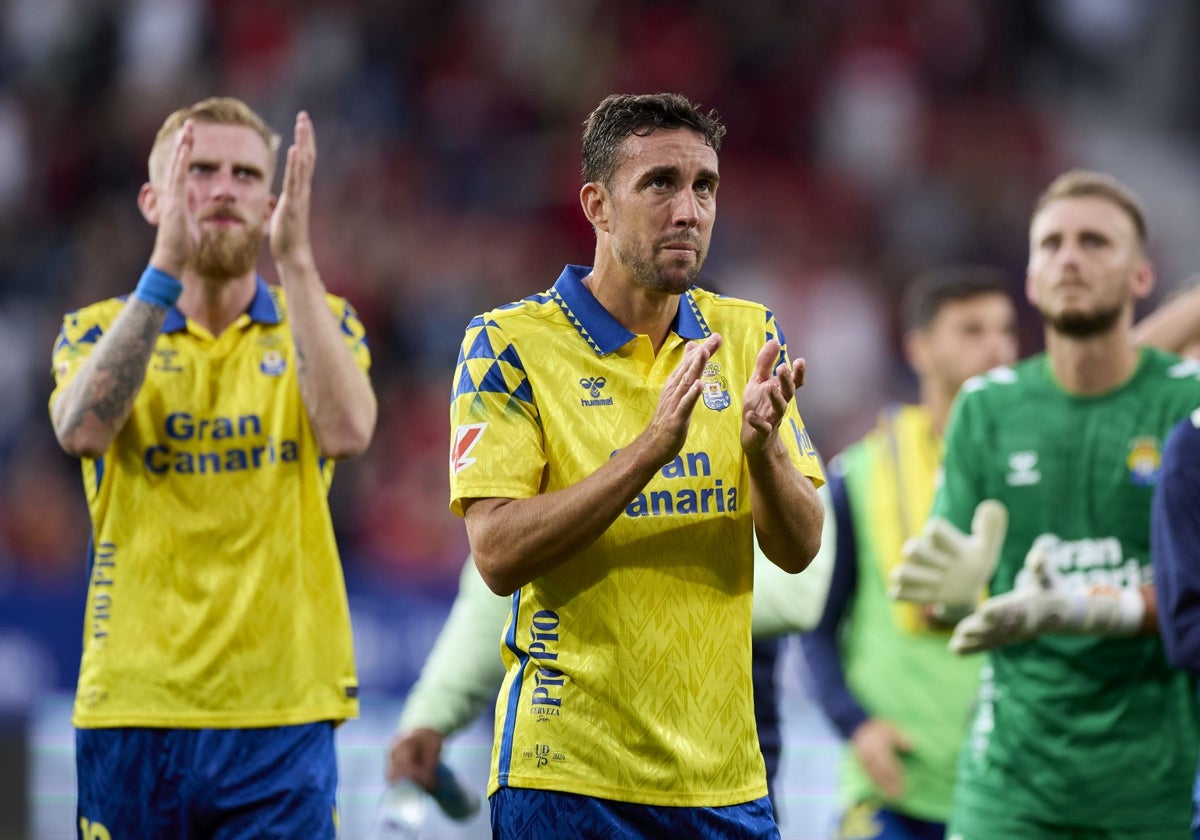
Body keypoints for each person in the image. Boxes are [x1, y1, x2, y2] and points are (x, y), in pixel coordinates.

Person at [448, 92, 825, 837]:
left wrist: (762, 454)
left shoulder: (749, 335)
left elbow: (799, 547)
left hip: (724, 779)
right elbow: (495, 554)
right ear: (598, 204)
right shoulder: (507, 342)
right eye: (660, 183)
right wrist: (649, 452)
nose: (689, 209)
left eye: (704, 186)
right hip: (566, 774)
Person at [48, 97, 376, 838]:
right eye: (199, 170)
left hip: (281, 711)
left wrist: (295, 260)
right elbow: (83, 430)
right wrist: (163, 268)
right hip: (135, 705)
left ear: (271, 200)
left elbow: (348, 429)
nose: (223, 188)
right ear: (152, 198)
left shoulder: (323, 322)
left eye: (244, 173)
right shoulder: (93, 331)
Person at [890, 169, 1200, 839]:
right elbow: (938, 608)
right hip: (1009, 790)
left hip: (1153, 790)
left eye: (1094, 242)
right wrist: (955, 597)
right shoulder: (988, 408)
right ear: (1030, 278)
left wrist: (1080, 605)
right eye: (1052, 244)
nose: (1070, 258)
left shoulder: (1187, 406)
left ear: (1142, 277)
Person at [386, 491, 837, 816]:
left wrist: (616, 592)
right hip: (580, 780)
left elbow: (798, 591)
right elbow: (497, 584)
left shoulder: (743, 395)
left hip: (721, 787)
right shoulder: (563, 406)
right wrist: (428, 719)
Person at [799, 266, 1018, 840]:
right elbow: (817, 625)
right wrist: (857, 726)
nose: (996, 347)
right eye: (971, 330)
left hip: (1009, 787)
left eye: (1005, 330)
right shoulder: (861, 474)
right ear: (918, 348)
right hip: (891, 788)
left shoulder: (1038, 473)